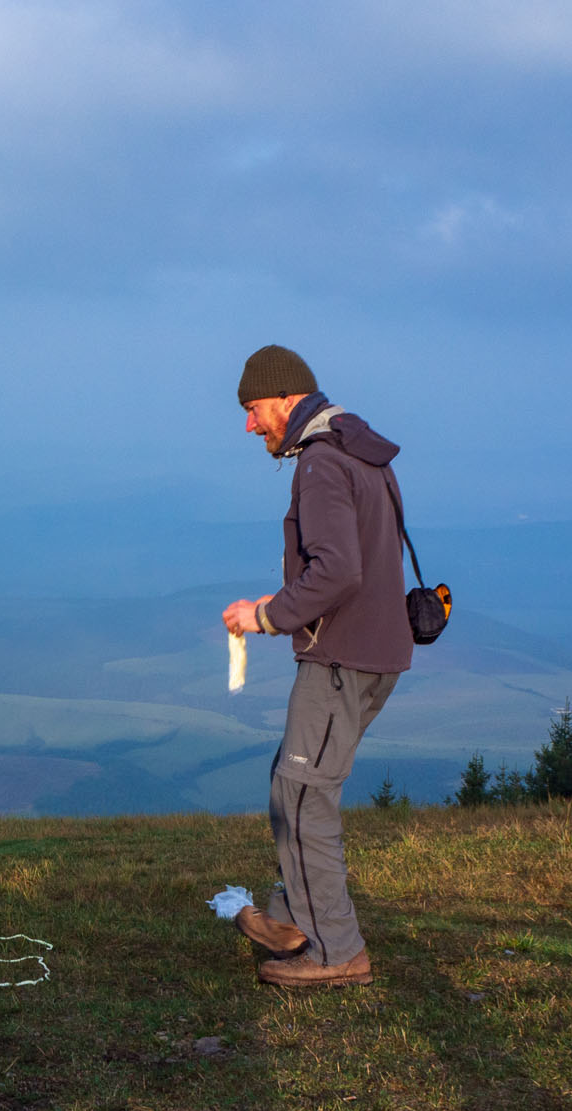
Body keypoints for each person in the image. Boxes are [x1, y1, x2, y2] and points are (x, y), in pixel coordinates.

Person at [221, 345, 413, 988]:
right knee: (295, 784)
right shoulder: (358, 448)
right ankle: (291, 916)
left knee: (303, 796)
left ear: (282, 399)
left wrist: (265, 615)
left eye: (253, 410)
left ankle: (335, 950)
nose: (251, 426)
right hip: (373, 651)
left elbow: (337, 570)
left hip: (341, 656)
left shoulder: (322, 464)